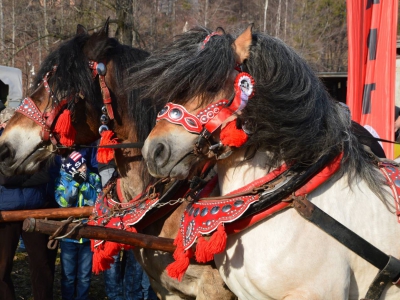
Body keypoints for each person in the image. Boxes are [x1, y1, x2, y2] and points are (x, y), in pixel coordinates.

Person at [0, 107, 58, 300]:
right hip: (5, 211)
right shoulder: (2, 146)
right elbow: (4, 179)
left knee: (42, 265)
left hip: (36, 207)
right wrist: (27, 174)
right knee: (2, 266)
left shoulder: (33, 144)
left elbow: (44, 174)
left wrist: (17, 176)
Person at [54, 151, 101, 300]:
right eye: (81, 166)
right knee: (68, 276)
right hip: (68, 236)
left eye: (85, 164)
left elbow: (96, 202)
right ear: (73, 167)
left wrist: (84, 184)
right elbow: (63, 203)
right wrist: (75, 183)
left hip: (88, 235)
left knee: (85, 277)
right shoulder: (61, 180)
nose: (84, 168)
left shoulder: (93, 178)